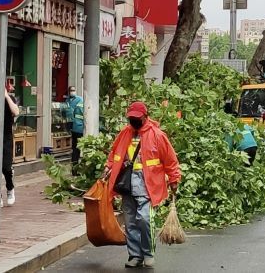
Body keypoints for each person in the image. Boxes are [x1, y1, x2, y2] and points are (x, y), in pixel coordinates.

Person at [103, 102, 181, 269]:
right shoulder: (125, 133)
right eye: (131, 118)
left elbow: (170, 159)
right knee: (130, 221)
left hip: (148, 184)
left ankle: (148, 253)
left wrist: (174, 179)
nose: (133, 121)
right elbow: (115, 153)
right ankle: (135, 255)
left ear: (145, 117)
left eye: (136, 118)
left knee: (145, 219)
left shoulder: (157, 135)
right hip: (127, 184)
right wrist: (109, 167)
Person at [0, 76, 19, 205]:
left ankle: (10, 187)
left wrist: (6, 96)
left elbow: (16, 112)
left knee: (6, 167)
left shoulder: (9, 99)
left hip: (5, 137)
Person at [63, 87, 84, 164]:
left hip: (79, 128)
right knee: (76, 148)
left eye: (73, 90)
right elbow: (65, 112)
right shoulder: (67, 101)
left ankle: (75, 166)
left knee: (77, 148)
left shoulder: (80, 100)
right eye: (71, 90)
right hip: (74, 128)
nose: (72, 92)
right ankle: (75, 166)